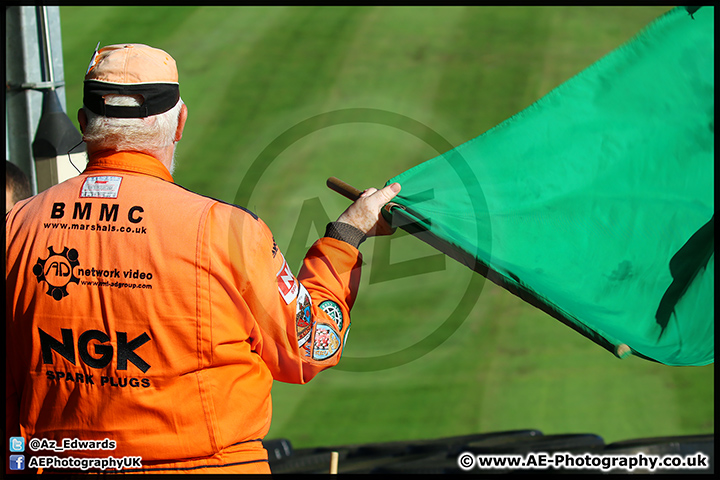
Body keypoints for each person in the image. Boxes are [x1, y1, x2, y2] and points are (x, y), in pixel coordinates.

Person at [5, 43, 401, 474]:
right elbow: (312, 345)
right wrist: (346, 236)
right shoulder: (225, 231)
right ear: (179, 124)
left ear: (83, 123)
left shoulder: (14, 227)